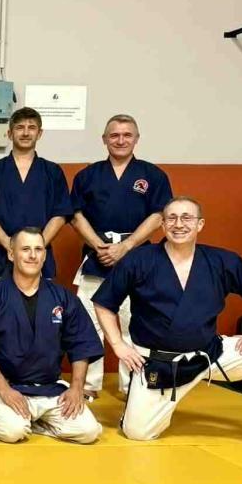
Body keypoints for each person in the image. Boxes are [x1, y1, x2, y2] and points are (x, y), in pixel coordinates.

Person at [93, 197, 242, 462]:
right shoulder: (139, 260)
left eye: (187, 218)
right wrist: (118, 345)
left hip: (210, 353)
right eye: (172, 218)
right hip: (159, 363)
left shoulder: (221, 261)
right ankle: (137, 410)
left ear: (200, 224)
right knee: (138, 433)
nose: (179, 224)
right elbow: (103, 303)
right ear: (162, 225)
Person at [70, 114, 172, 396]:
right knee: (90, 323)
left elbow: (158, 215)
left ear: (136, 139)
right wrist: (99, 246)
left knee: (132, 323)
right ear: (104, 139)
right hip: (97, 256)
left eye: (127, 135)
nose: (120, 140)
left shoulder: (153, 175)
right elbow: (74, 215)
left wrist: (125, 247)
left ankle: (132, 385)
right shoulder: (87, 176)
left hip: (137, 257)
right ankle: (89, 385)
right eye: (114, 135)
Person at [0, 228, 103, 444]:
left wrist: (76, 388)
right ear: (11, 254)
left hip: (51, 388)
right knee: (12, 432)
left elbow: (82, 345)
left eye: (38, 249)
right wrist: (4, 389)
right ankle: (7, 416)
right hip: (10, 387)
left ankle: (35, 423)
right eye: (25, 249)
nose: (32, 255)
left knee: (88, 432)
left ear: (44, 255)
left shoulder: (63, 298)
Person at [0, 107, 72, 285]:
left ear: (39, 133)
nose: (26, 133)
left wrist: (37, 245)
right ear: (9, 133)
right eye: (19, 127)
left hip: (39, 255)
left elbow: (60, 214)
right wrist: (9, 244)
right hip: (1, 253)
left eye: (31, 127)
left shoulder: (52, 172)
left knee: (40, 302)